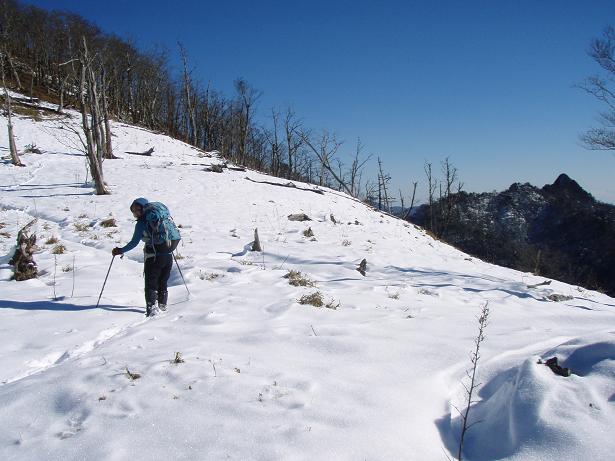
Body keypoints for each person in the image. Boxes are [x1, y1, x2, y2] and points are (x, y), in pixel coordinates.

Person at [112, 198, 181, 316]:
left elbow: (134, 243)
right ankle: (163, 306)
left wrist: (120, 250)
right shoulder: (161, 218)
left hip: (153, 257)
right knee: (163, 282)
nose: (134, 213)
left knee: (151, 284)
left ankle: (151, 310)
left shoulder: (142, 223)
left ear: (141, 209)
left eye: (135, 211)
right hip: (168, 255)